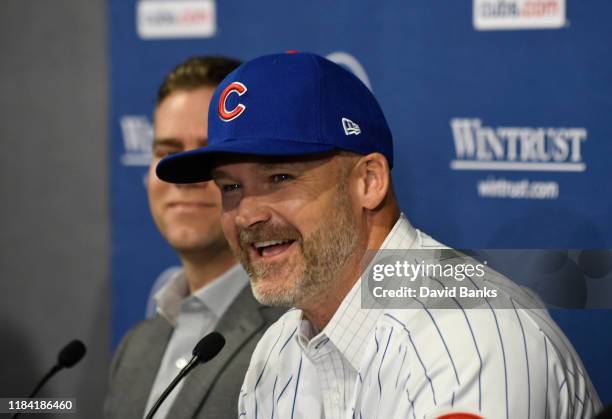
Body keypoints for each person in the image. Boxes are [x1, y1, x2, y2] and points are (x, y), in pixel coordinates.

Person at [156, 52, 602, 418]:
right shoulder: (275, 354)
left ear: (368, 181)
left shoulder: (469, 335)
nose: (247, 214)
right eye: (231, 187)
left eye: (279, 177)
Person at [105, 56, 283, 419]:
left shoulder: (299, 329)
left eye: (207, 154)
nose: (185, 176)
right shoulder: (135, 348)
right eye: (168, 153)